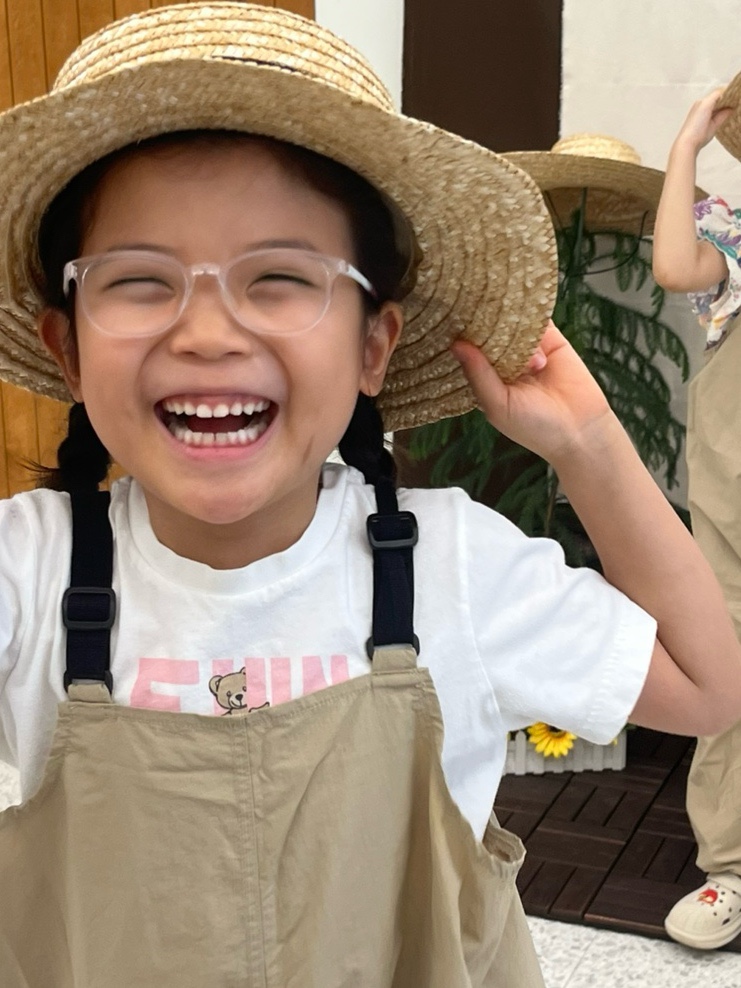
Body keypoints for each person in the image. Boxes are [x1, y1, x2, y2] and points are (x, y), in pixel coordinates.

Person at [0, 5, 740, 984]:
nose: (208, 333)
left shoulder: (455, 568)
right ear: (67, 347)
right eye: (139, 279)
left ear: (372, 345)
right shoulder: (29, 568)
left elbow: (709, 687)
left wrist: (590, 445)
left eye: (278, 276)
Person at [653, 86, 741, 951]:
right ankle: (731, 870)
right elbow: (676, 268)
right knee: (731, 669)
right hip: (735, 503)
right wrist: (687, 143)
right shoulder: (736, 236)